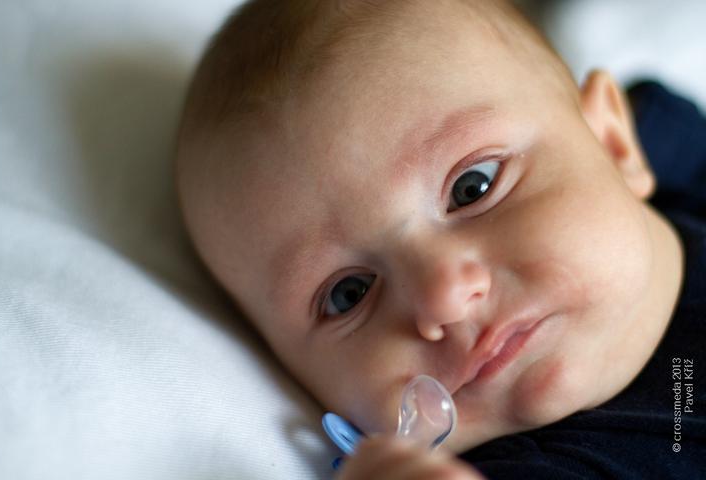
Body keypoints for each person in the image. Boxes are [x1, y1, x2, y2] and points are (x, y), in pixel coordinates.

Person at [174, 0, 706, 477]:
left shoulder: (675, 149)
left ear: (614, 143)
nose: (444, 299)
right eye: (349, 294)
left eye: (473, 187)